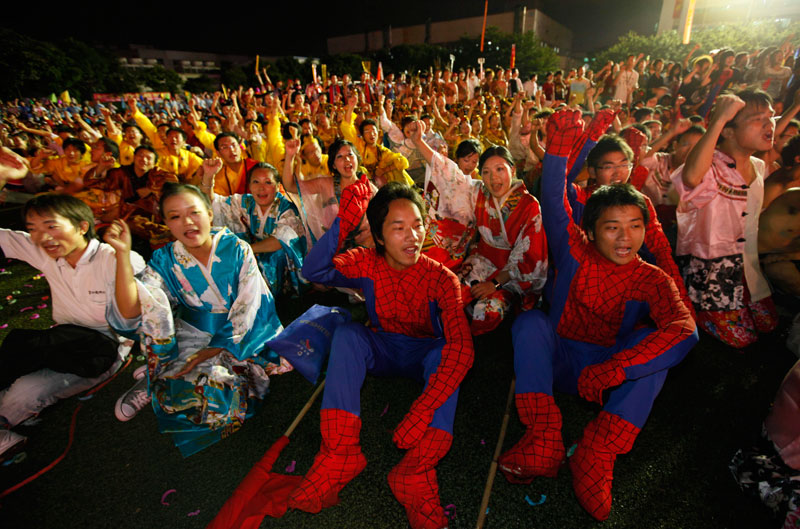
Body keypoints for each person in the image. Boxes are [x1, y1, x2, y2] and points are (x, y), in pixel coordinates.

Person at [498, 109, 697, 520]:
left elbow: (685, 330)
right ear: (590, 231)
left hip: (608, 369)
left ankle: (598, 451)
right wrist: (558, 150)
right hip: (561, 360)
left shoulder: (651, 278)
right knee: (531, 323)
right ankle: (543, 434)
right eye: (612, 227)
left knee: (655, 350)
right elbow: (553, 200)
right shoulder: (574, 250)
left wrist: (618, 368)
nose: (626, 238)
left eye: (635, 226)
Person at [288, 180, 473, 529]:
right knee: (348, 335)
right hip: (384, 347)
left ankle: (417, 470)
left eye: (417, 225)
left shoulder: (443, 279)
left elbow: (462, 348)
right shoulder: (367, 263)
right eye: (398, 228)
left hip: (424, 356)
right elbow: (313, 272)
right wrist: (343, 223)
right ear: (379, 235)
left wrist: (423, 407)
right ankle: (340, 453)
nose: (412, 236)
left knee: (446, 356)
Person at [105, 183, 287, 457]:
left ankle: (160, 373)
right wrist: (122, 255)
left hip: (238, 337)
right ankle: (154, 378)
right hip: (191, 333)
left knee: (223, 402)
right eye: (175, 216)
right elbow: (133, 310)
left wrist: (209, 353)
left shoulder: (237, 249)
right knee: (181, 396)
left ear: (209, 214)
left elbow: (251, 306)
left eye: (194, 212)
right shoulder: (166, 260)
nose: (187, 222)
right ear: (165, 222)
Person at [0, 182, 145, 460]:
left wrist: (124, 256)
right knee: (14, 361)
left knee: (25, 390)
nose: (42, 237)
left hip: (103, 348)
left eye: (52, 226)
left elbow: (134, 312)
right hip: (62, 339)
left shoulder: (111, 258)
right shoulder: (44, 253)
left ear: (81, 226)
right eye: (33, 229)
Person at [411, 123, 548, 335]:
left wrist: (495, 283)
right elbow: (450, 176)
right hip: (481, 260)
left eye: (500, 170)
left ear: (512, 169)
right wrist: (418, 142)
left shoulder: (528, 206)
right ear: (480, 175)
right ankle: (439, 329)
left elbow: (528, 255)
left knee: (487, 312)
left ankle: (472, 333)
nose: (494, 178)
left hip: (510, 276)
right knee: (451, 293)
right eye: (486, 172)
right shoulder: (478, 193)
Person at [672, 90, 778, 348]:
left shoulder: (758, 166)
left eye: (771, 117)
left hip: (745, 264)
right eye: (757, 118)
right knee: (742, 340)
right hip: (711, 273)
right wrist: (718, 121)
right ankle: (698, 310)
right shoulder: (710, 166)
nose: (769, 124)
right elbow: (690, 178)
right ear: (728, 131)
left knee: (769, 324)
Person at [202, 159, 307, 297]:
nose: (261, 188)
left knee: (277, 254)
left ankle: (269, 295)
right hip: (255, 252)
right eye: (256, 182)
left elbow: (280, 241)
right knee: (223, 237)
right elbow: (212, 203)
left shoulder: (286, 208)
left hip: (286, 263)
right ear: (249, 186)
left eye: (268, 182)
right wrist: (209, 176)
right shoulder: (247, 202)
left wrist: (245, 250)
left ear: (277, 186)